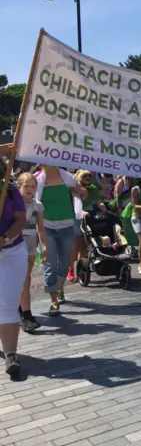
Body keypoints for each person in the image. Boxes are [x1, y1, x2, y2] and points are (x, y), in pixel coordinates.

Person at [35, 165, 84, 315]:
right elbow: (33, 205)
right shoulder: (38, 181)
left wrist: (82, 191)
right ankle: (54, 301)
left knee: (64, 264)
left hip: (67, 227)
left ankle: (59, 288)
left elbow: (82, 194)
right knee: (50, 265)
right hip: (48, 227)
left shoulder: (69, 178)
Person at [0, 148, 28, 375]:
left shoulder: (10, 192)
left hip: (10, 253)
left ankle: (11, 354)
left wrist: (5, 237)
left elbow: (21, 220)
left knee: (7, 303)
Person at [17, 173, 47, 333]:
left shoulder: (38, 205)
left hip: (30, 245)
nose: (29, 189)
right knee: (18, 278)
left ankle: (25, 312)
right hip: (14, 242)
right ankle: (23, 312)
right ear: (19, 186)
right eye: (26, 186)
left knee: (26, 278)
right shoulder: (13, 202)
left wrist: (45, 246)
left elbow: (40, 228)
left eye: (33, 186)